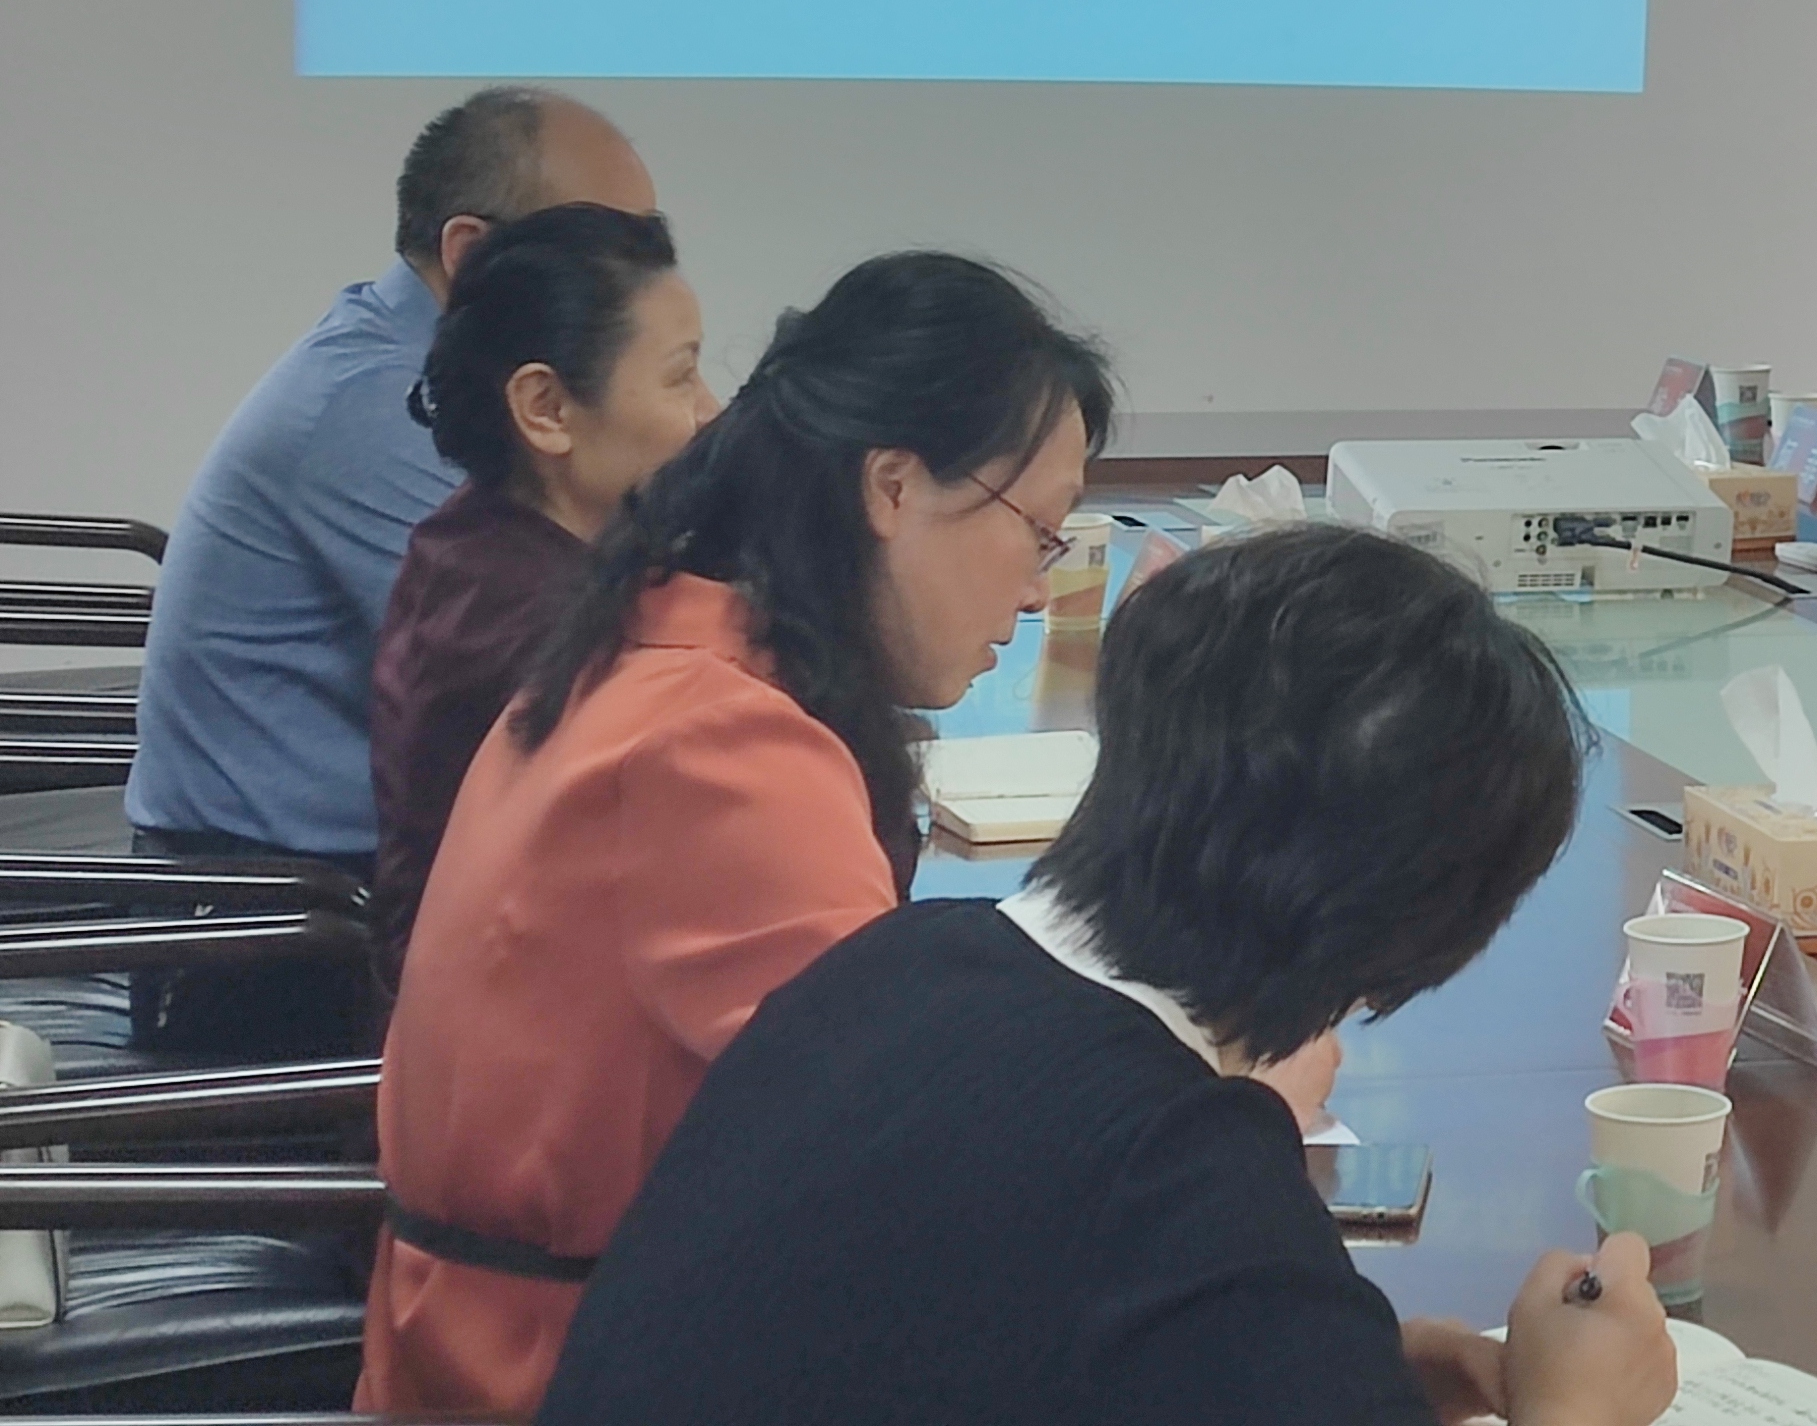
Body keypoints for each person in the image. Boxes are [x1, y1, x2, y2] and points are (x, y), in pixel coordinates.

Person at [536, 524, 1678, 1426]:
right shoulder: (1186, 1182)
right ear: (1415, 935)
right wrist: (1575, 1411)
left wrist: (1353, 1371)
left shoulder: (889, 967)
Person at [362, 251, 1110, 1421]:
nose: (1035, 593)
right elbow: (926, 1143)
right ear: (894, 487)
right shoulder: (717, 746)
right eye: (1042, 535)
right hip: (561, 1374)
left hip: (547, 1336)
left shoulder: (666, 641)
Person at [129, 87, 656, 1060]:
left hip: (347, 889)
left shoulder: (432, 368)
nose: (642, 285)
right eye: (607, 249)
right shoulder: (382, 403)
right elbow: (571, 662)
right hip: (269, 935)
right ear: (470, 253)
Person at [368, 204, 719, 992]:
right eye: (681, 376)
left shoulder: (482, 537)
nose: (711, 413)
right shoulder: (538, 629)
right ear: (546, 410)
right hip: (506, 1029)